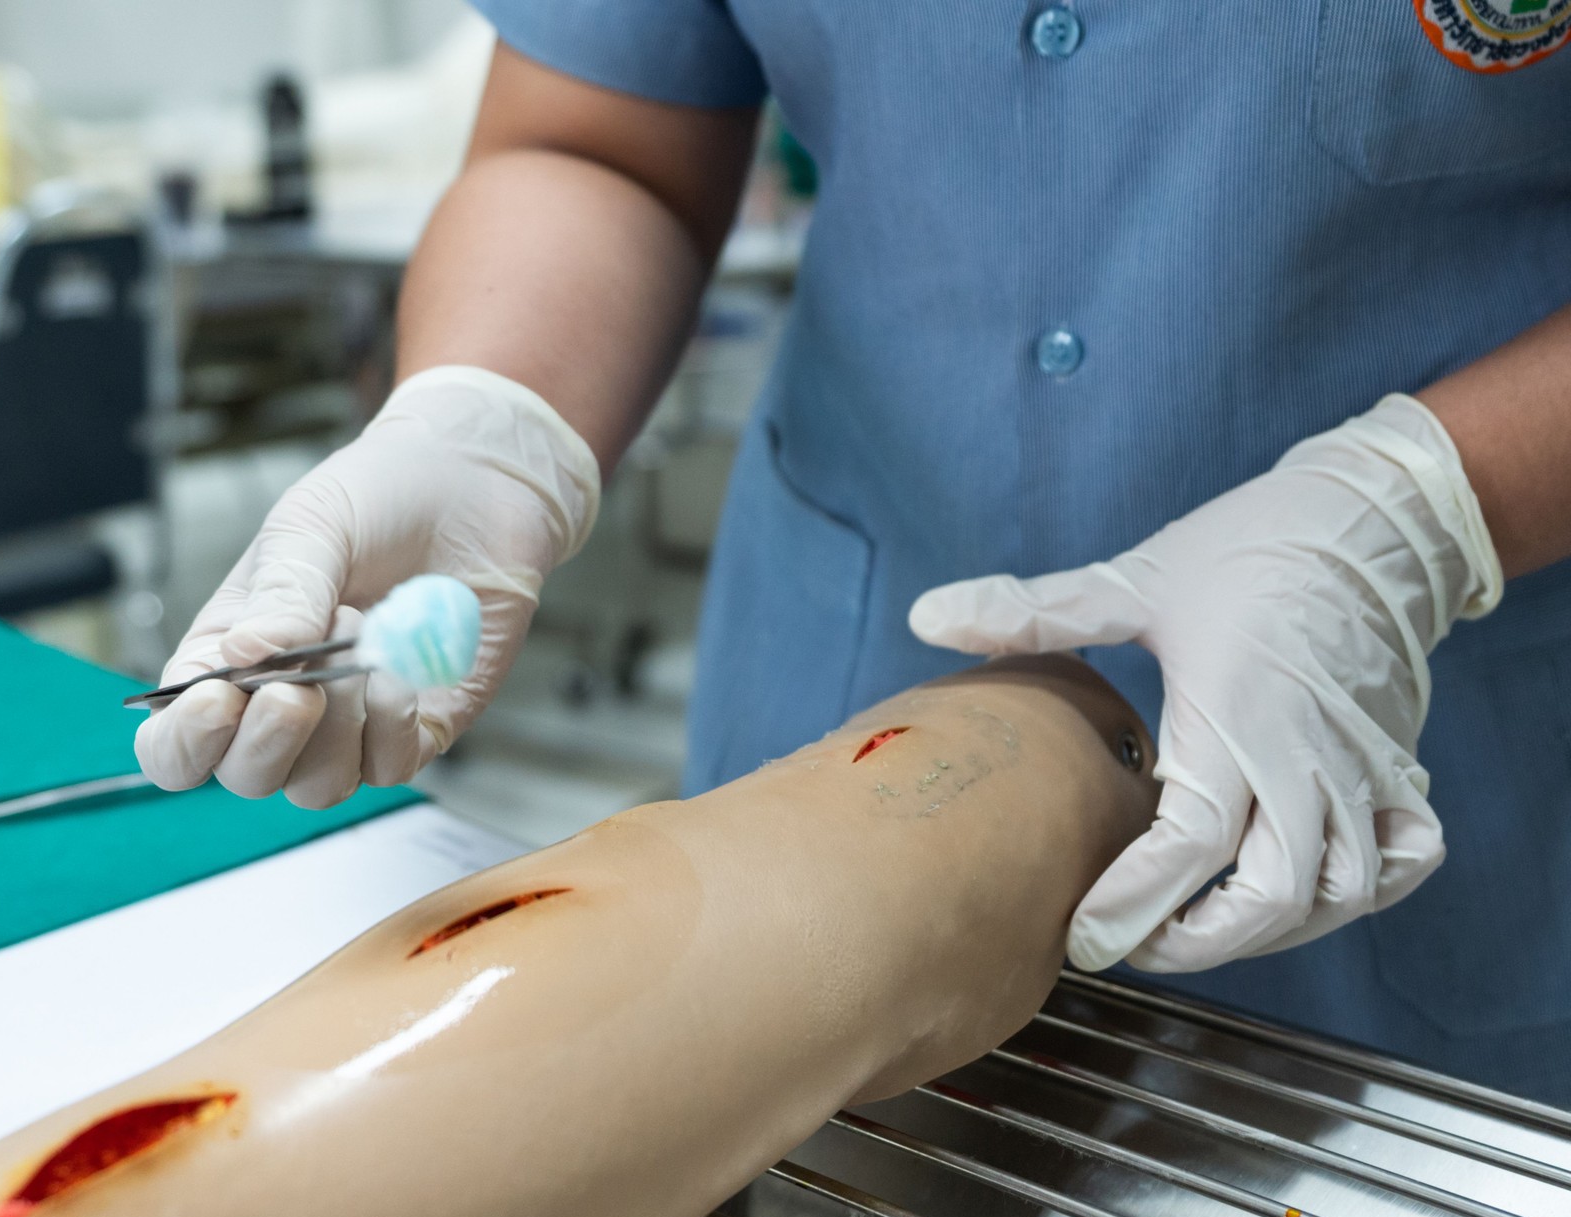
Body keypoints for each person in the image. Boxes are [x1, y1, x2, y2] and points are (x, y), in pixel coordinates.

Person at [138, 4, 1571, 1105]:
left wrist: (1421, 510)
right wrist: (488, 416)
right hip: (843, 704)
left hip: (1453, 770)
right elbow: (595, 141)